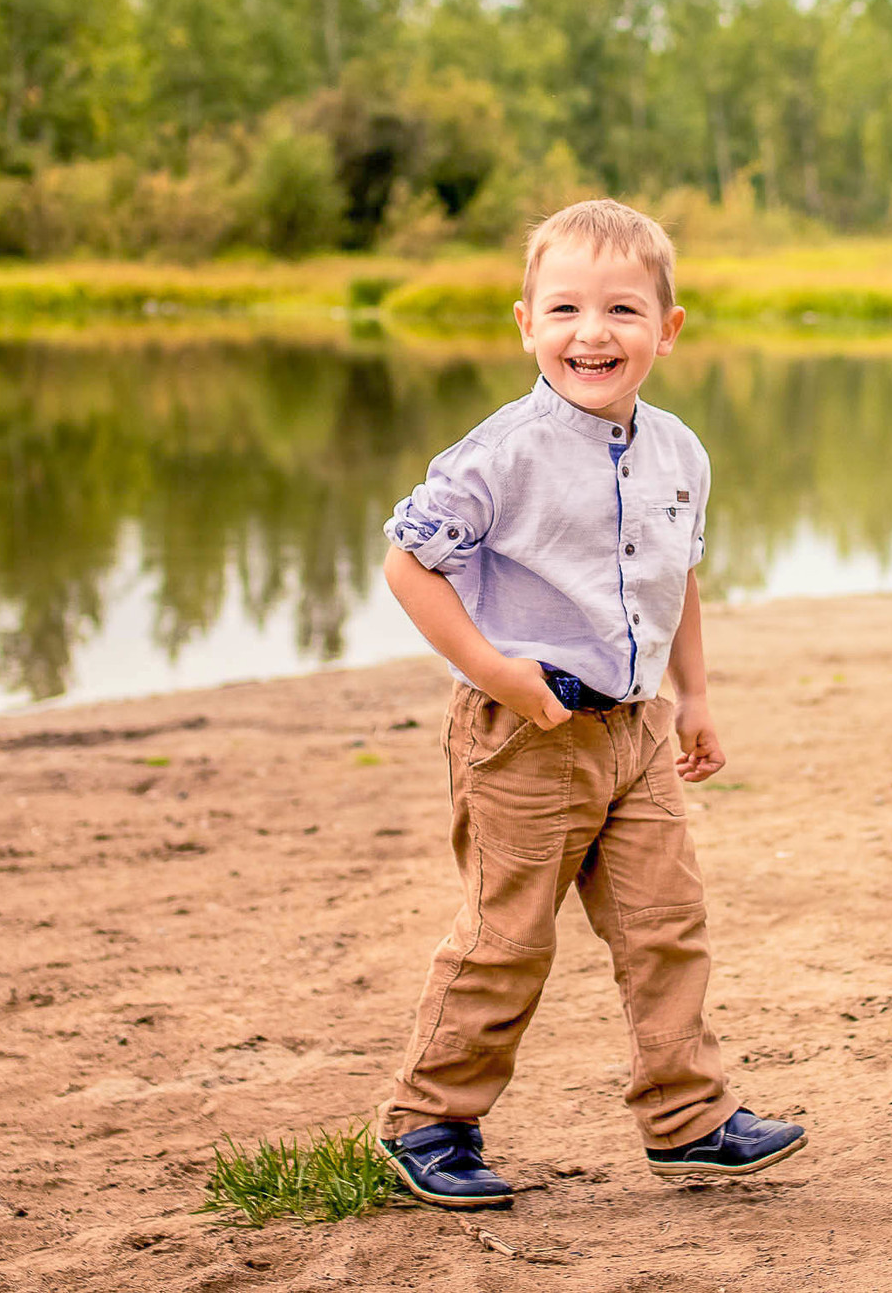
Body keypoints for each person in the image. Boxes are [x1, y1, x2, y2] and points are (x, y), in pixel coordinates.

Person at [373, 198, 807, 1209]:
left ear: (668, 326)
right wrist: (495, 673)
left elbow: (674, 582)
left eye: (621, 309)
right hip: (525, 732)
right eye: (564, 308)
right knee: (508, 936)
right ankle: (430, 1121)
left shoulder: (681, 454)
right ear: (525, 324)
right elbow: (408, 568)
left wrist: (694, 696)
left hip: (636, 730)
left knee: (666, 923)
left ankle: (687, 1117)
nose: (592, 332)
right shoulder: (500, 454)